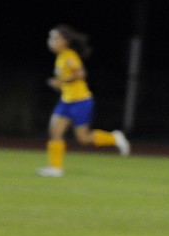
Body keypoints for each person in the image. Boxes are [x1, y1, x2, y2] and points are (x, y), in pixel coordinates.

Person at [38, 25, 130, 177]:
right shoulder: (61, 57)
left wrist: (61, 81)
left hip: (81, 101)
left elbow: (81, 74)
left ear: (64, 41)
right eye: (51, 38)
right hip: (66, 101)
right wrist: (59, 84)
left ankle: (114, 138)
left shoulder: (69, 56)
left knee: (83, 138)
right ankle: (55, 168)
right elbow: (68, 81)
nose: (51, 41)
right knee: (55, 131)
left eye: (54, 38)